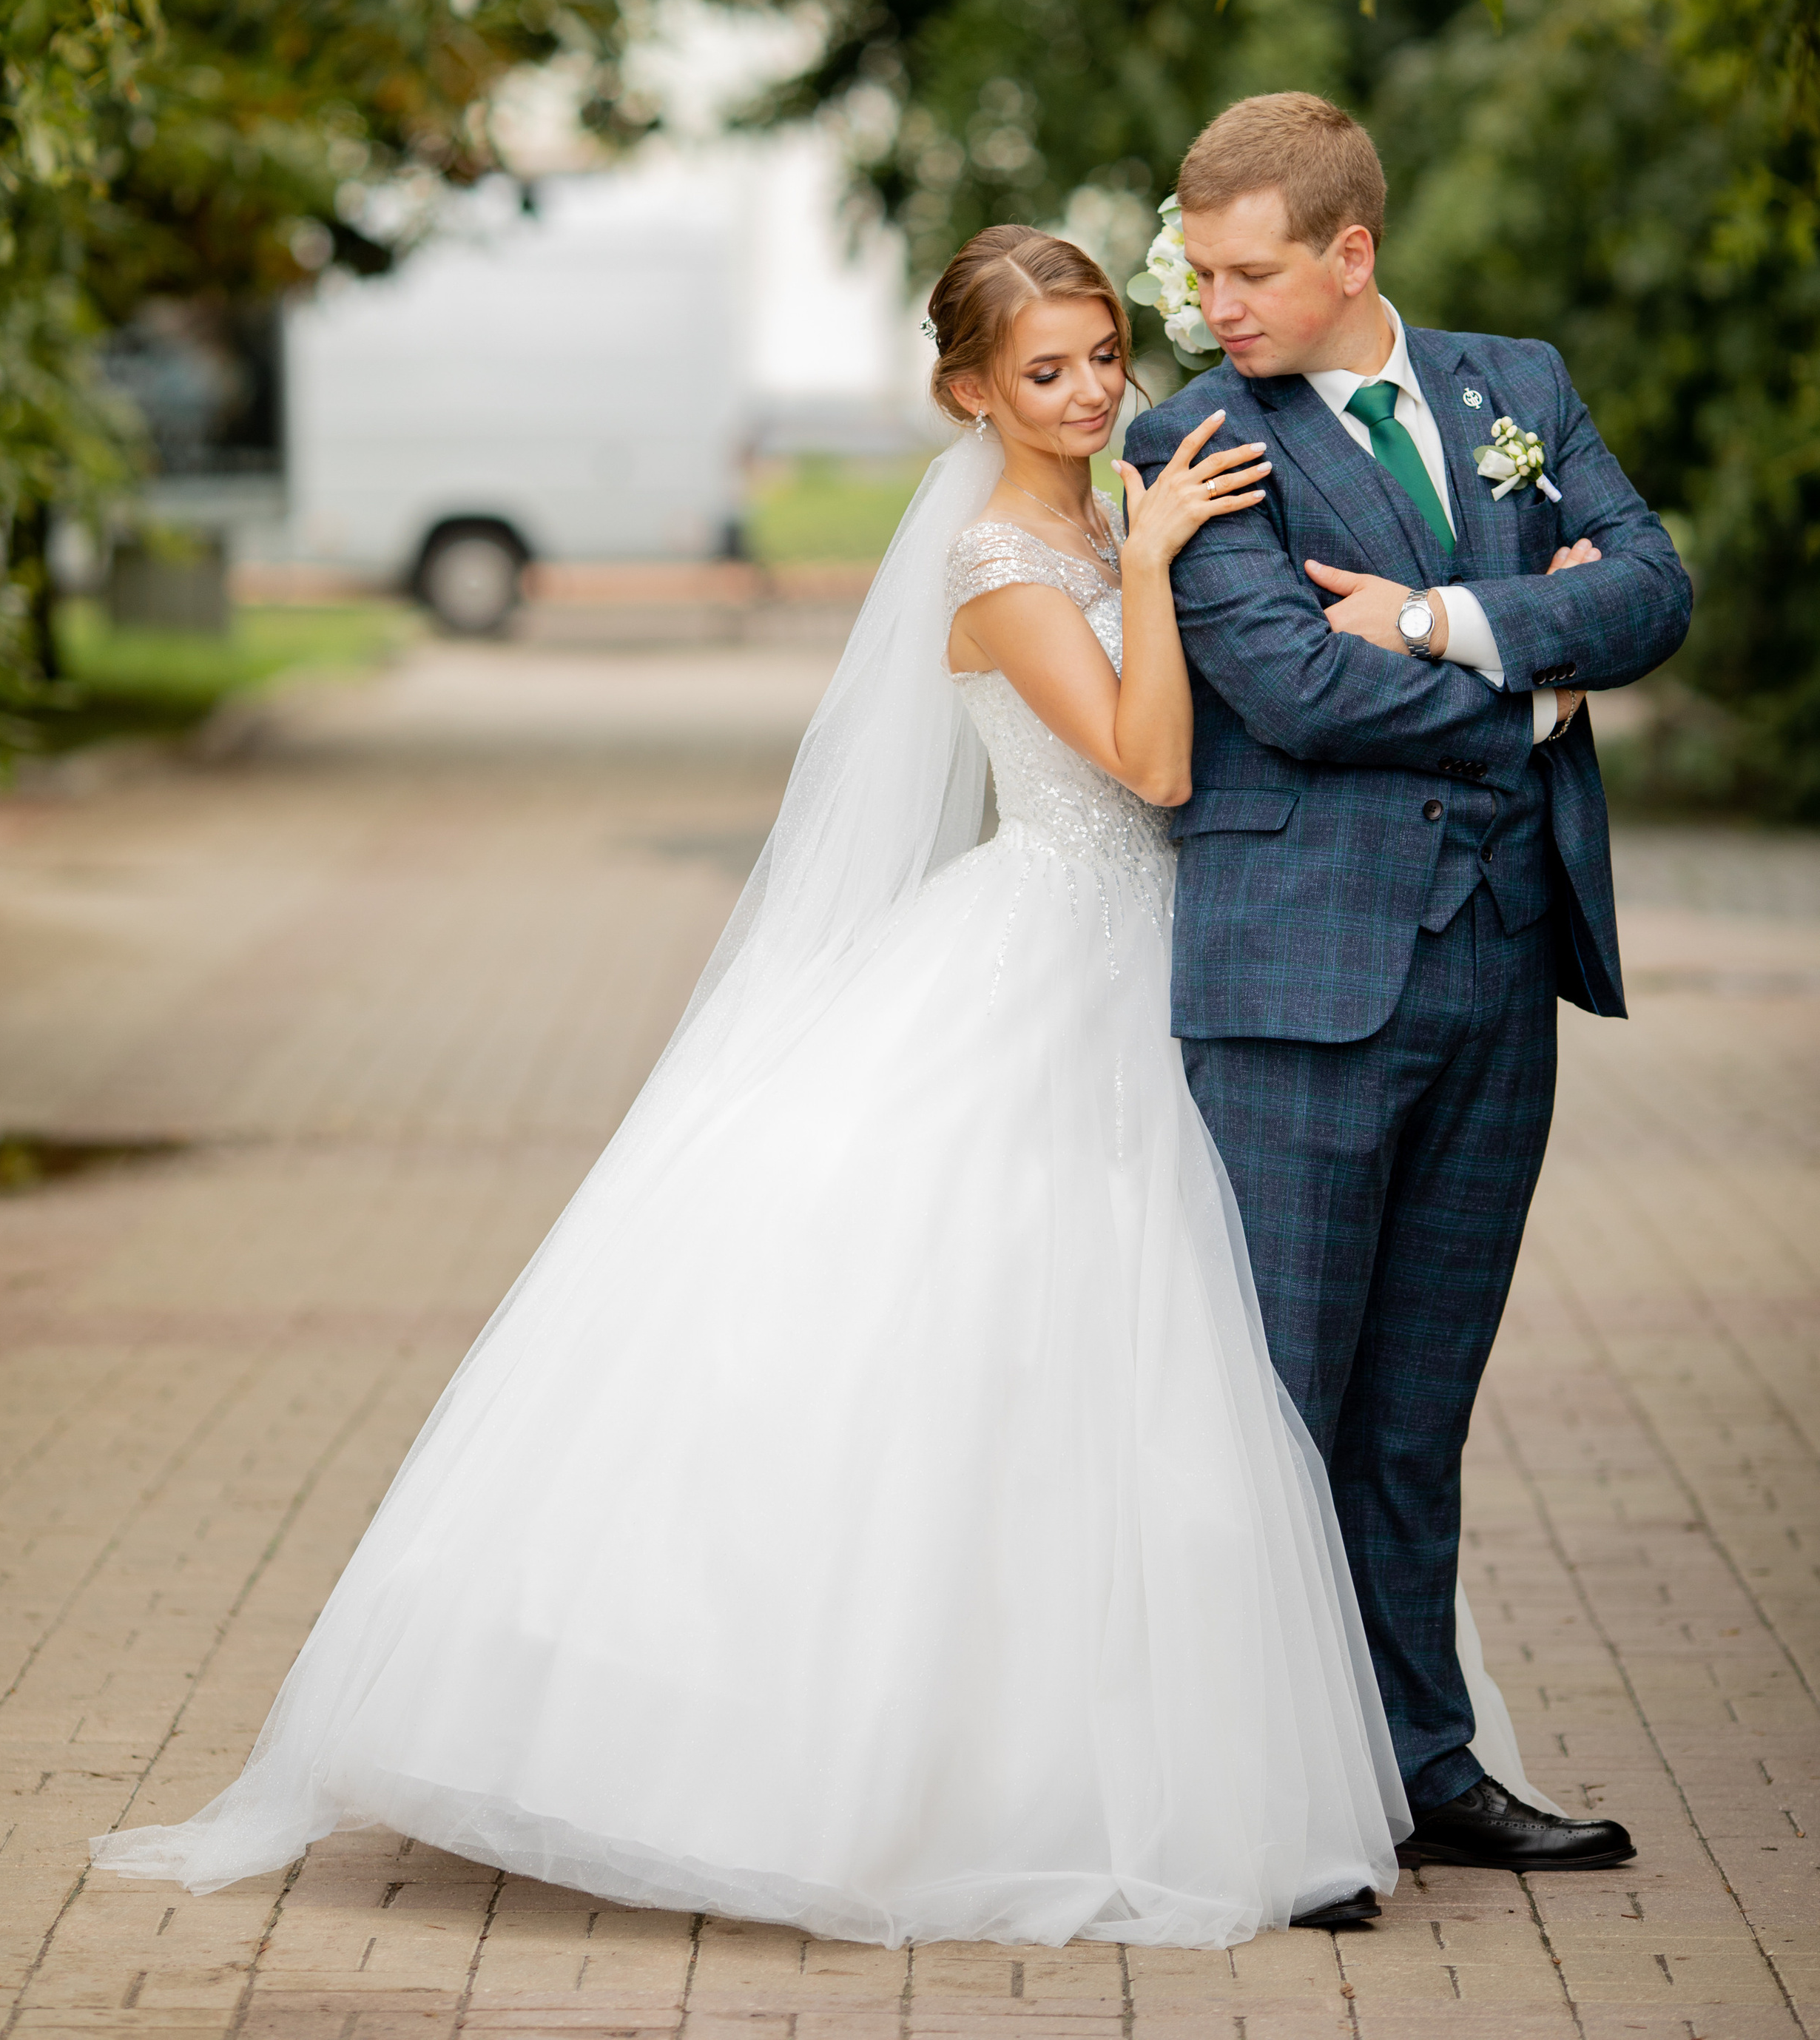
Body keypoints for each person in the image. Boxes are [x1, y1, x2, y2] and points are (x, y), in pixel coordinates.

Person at [93, 226, 1414, 1947]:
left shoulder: (1113, 516)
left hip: (1153, 963)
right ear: (964, 392)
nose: (1089, 393)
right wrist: (1158, 568)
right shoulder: (1003, 564)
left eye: (1102, 356)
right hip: (1045, 962)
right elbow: (1149, 764)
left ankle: (1163, 1757)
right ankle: (897, 1776)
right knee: (1012, 1346)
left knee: (1154, 1363)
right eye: (1043, 370)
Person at [1124, 93, 1693, 1874]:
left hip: (1500, 968)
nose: (1211, 304)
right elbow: (1292, 689)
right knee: (1273, 1405)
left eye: (1248, 272)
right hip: (1296, 982)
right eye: (1200, 272)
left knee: (1414, 1411)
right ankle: (1258, 1802)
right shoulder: (1193, 434)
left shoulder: (1513, 387)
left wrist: (1444, 621)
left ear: (1349, 250)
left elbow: (1656, 588)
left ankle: (1419, 1766)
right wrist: (1542, 680)